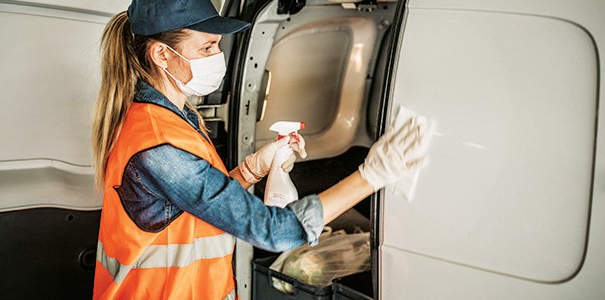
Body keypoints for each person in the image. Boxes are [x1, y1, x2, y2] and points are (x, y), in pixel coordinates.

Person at [90, 0, 429, 299]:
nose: (217, 56)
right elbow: (273, 231)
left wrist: (251, 169)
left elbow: (197, 211)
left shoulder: (168, 119)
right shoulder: (159, 144)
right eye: (207, 48)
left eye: (218, 46)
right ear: (162, 54)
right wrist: (373, 175)